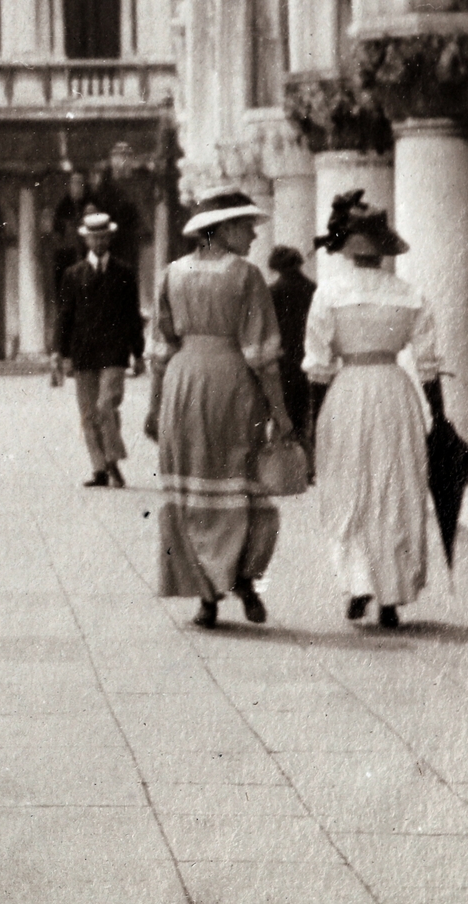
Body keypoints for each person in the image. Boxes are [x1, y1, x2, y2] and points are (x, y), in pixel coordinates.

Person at [144, 191, 292, 629]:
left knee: (192, 487)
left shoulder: (171, 274)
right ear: (225, 229)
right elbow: (262, 354)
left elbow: (159, 348)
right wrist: (280, 411)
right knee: (240, 478)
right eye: (247, 226)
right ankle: (244, 576)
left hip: (182, 385)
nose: (253, 234)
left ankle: (206, 595)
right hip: (233, 385)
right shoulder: (246, 276)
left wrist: (154, 407)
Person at [304, 191, 439, 632]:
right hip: (394, 392)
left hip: (347, 391)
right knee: (396, 487)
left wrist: (313, 421)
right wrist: (438, 416)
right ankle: (391, 595)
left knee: (350, 487)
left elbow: (318, 364)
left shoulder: (329, 294)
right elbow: (428, 364)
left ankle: (359, 581)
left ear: (347, 251)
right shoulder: (410, 295)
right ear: (384, 251)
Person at [52, 211, 146, 487]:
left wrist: (138, 353)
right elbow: (64, 316)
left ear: (110, 238)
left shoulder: (125, 273)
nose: (99, 242)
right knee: (88, 413)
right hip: (84, 353)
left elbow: (132, 316)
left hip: (115, 352)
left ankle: (113, 461)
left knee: (106, 405)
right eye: (95, 237)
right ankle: (100, 469)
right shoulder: (73, 274)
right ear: (87, 239)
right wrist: (59, 351)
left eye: (104, 237)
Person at [267, 246, 316, 445]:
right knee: (304, 414)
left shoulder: (272, 292)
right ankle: (305, 460)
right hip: (307, 357)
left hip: (283, 360)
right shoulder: (313, 288)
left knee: (283, 414)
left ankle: (285, 460)